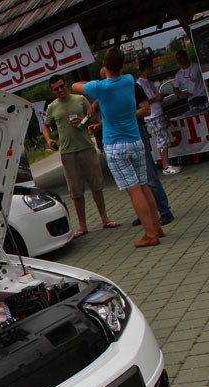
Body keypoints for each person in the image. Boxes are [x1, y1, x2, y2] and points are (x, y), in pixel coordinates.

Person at [73, 47, 162, 248]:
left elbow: (75, 86)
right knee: (144, 185)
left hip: (115, 144)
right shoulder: (128, 80)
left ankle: (149, 234)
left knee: (134, 190)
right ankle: (156, 227)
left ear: (105, 65)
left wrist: (102, 74)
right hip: (135, 140)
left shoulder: (101, 87)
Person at [43, 74, 119, 237]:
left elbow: (92, 116)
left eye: (62, 86)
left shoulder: (80, 99)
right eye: (56, 89)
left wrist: (84, 122)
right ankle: (82, 225)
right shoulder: (52, 107)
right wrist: (49, 139)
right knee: (76, 191)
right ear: (52, 91)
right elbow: (46, 126)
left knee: (96, 184)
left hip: (86, 147)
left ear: (66, 84)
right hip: (68, 152)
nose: (60, 90)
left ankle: (105, 218)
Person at [132, 81, 175, 227]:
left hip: (136, 130)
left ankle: (164, 210)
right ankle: (145, 211)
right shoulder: (109, 89)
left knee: (149, 175)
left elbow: (146, 110)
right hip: (123, 135)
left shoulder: (131, 85)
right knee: (134, 180)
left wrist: (126, 116)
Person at [137, 57, 181, 176]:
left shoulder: (150, 82)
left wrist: (164, 112)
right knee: (161, 139)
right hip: (152, 115)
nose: (152, 69)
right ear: (146, 68)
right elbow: (142, 102)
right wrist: (156, 98)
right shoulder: (139, 84)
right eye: (151, 67)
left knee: (164, 138)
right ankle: (165, 165)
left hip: (158, 112)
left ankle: (167, 163)